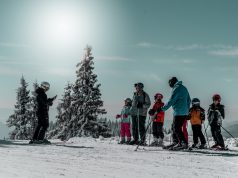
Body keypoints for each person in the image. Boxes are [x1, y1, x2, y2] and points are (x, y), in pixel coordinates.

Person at [160, 77, 191, 150]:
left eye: (169, 83)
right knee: (174, 127)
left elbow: (171, 100)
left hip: (179, 111)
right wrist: (187, 110)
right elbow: (189, 100)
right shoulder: (184, 88)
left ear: (172, 82)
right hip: (183, 112)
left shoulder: (176, 88)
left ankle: (183, 143)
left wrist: (163, 108)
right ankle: (176, 142)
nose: (169, 85)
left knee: (176, 128)